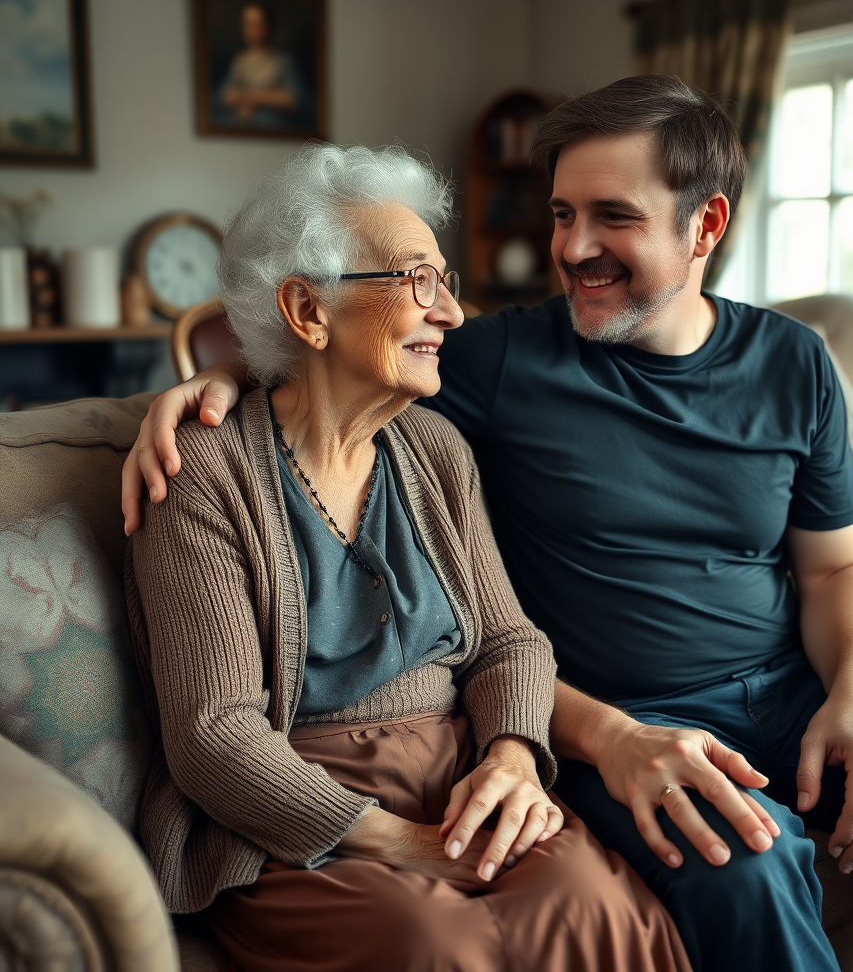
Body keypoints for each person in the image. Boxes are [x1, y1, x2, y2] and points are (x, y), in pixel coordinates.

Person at [124, 77, 853, 972]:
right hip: (617, 712)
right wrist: (217, 386)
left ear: (704, 226)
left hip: (786, 689)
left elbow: (838, 571)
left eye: (612, 216)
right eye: (561, 213)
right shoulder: (499, 359)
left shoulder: (795, 361)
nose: (573, 247)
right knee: (741, 859)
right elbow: (334, 364)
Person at [123, 143, 690, 972]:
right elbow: (214, 735)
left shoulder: (434, 447)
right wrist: (405, 844)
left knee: (598, 910)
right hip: (289, 811)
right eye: (415, 281)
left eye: (445, 281)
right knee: (437, 944)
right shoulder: (202, 470)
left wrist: (512, 760)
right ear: (308, 312)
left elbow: (509, 643)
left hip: (460, 776)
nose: (451, 314)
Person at [216, 3, 303, 128]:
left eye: (258, 24)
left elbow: (293, 100)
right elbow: (225, 96)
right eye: (249, 25)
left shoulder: (283, 60)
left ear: (269, 26)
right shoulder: (240, 60)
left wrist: (252, 99)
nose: (253, 30)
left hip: (272, 125)